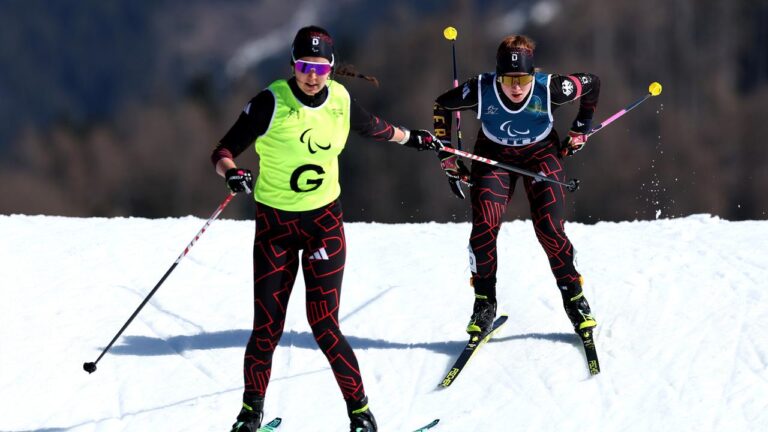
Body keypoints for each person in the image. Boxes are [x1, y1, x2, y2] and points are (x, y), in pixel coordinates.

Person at [211, 26, 436, 432]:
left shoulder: (341, 101)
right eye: (303, 66)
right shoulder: (269, 103)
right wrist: (231, 174)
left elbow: (375, 127)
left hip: (323, 225)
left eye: (319, 67)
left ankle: (361, 415)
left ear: (331, 67)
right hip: (275, 228)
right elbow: (222, 151)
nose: (311, 76)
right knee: (267, 329)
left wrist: (414, 139)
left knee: (325, 325)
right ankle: (249, 415)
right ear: (292, 66)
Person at [431, 34, 601, 340]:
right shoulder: (481, 88)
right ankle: (484, 304)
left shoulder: (551, 88)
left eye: (522, 78)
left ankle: (574, 297)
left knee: (549, 228)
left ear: (532, 73)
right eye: (508, 79)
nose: (517, 87)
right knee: (484, 227)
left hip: (541, 155)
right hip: (494, 155)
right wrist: (447, 154)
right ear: (498, 75)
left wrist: (581, 127)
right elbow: (442, 106)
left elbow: (591, 83)